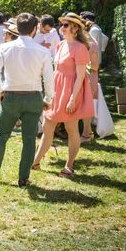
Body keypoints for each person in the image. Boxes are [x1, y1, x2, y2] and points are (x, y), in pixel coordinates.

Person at [0, 13, 54, 187]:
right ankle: (23, 177)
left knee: (2, 134)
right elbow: (49, 79)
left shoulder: (5, 47)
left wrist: (0, 91)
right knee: (29, 139)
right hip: (33, 96)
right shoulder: (43, 51)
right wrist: (48, 99)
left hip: (11, 96)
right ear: (34, 29)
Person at [32, 12, 94, 177]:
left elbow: (80, 76)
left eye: (66, 25)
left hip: (70, 91)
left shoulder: (80, 48)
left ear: (75, 28)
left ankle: (69, 165)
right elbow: (55, 71)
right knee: (47, 125)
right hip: (56, 91)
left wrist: (73, 98)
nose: (62, 27)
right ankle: (35, 162)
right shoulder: (60, 45)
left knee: (71, 127)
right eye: (62, 24)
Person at [80, 20, 101, 143]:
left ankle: (87, 133)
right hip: (83, 76)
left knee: (86, 105)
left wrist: (82, 65)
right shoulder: (83, 42)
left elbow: (95, 66)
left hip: (89, 77)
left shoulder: (91, 43)